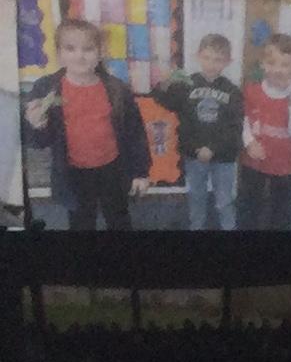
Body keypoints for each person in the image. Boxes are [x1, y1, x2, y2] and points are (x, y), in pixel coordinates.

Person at [21, 14, 148, 230]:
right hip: (74, 174)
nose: (79, 56)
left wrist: (140, 172)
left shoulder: (117, 89)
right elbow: (39, 142)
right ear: (59, 54)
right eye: (70, 49)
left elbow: (135, 134)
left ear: (100, 53)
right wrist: (36, 124)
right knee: (81, 223)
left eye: (88, 49)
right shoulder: (47, 88)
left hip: (112, 169)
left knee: (119, 220)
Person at [152, 29, 245, 231]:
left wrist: (212, 148)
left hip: (223, 157)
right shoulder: (186, 84)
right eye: (207, 58)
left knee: (224, 200)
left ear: (228, 61)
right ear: (198, 56)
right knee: (196, 197)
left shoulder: (233, 91)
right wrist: (165, 82)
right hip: (193, 155)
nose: (212, 64)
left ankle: (229, 227)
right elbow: (165, 101)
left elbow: (234, 127)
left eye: (218, 60)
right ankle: (196, 226)